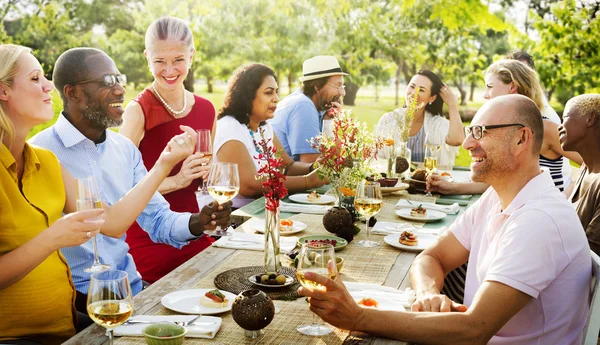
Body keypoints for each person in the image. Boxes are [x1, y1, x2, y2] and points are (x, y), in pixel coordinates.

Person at [299, 94, 591, 345]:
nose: (466, 143)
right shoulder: (498, 197)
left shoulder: (539, 220)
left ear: (521, 138)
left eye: (479, 132)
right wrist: (427, 292)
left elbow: (474, 330)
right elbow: (433, 257)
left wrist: (357, 316)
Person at [0, 44, 194, 344]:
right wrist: (54, 237)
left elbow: (112, 223)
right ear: (3, 91)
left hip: (67, 323)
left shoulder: (44, 161)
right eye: (36, 78)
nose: (48, 86)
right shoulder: (48, 150)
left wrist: (165, 164)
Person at [29, 47, 232, 310]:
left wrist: (198, 222)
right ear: (72, 92)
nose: (120, 90)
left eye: (118, 79)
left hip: (131, 291)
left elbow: (158, 220)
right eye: (107, 82)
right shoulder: (40, 153)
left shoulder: (124, 150)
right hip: (76, 302)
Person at [118, 17, 216, 283]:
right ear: (147, 58)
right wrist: (177, 180)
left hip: (197, 232)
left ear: (192, 56)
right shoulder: (137, 112)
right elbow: (119, 192)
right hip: (149, 241)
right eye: (160, 61)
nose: (169, 70)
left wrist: (209, 177)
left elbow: (207, 180)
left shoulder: (207, 109)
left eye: (178, 60)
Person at [428, 59, 583, 194]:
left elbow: (594, 165)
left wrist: (568, 197)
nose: (485, 94)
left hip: (541, 216)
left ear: (513, 86)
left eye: (490, 86)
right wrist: (451, 187)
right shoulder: (505, 127)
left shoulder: (545, 128)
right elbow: (497, 181)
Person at [215, 63, 326, 208]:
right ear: (247, 96)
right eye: (269, 92)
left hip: (266, 206)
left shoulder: (263, 126)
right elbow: (249, 185)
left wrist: (315, 167)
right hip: (233, 214)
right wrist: (308, 181)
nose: (276, 98)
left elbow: (287, 167)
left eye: (276, 92)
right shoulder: (229, 127)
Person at [506, 50, 575, 189]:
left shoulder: (545, 121)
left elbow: (590, 164)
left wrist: (570, 194)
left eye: (523, 72)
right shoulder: (509, 118)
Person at [375, 70, 464, 167]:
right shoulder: (389, 120)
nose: (413, 93)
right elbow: (377, 157)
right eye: (412, 86)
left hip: (427, 181)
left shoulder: (436, 124)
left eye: (421, 90)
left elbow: (457, 140)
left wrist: (452, 104)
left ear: (432, 98)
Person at [270, 55, 346, 162]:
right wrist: (337, 130)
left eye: (343, 86)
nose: (343, 92)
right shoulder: (303, 106)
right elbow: (314, 168)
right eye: (338, 86)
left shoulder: (318, 108)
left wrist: (328, 123)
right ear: (317, 87)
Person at [561, 94, 600, 255]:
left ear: (590, 119)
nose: (560, 126)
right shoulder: (586, 169)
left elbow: (591, 254)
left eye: (565, 117)